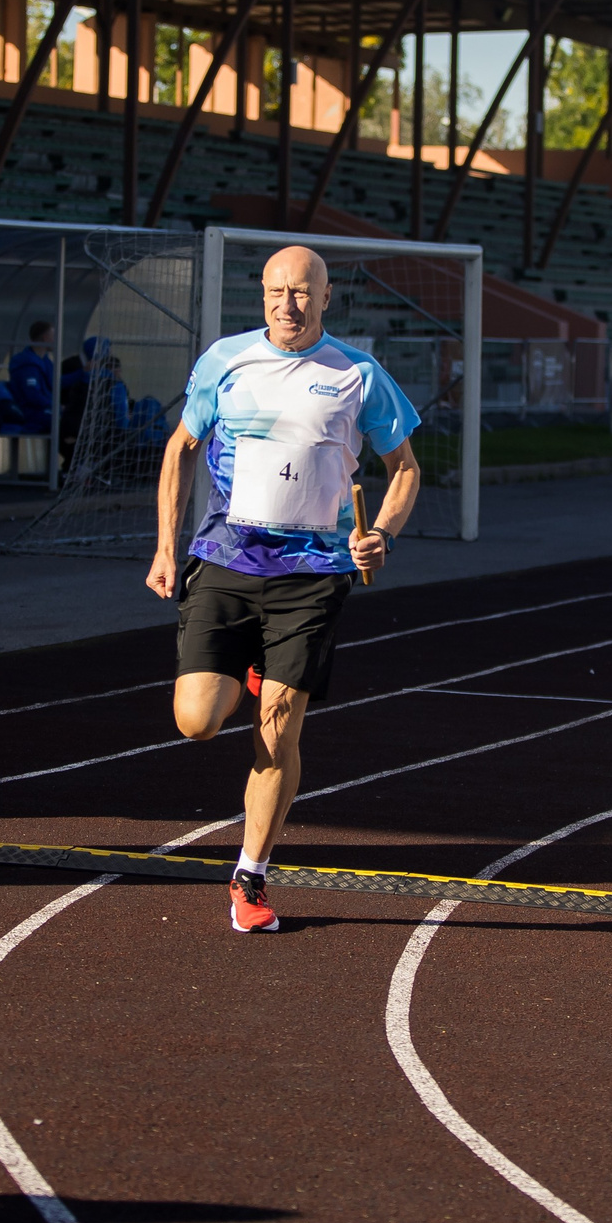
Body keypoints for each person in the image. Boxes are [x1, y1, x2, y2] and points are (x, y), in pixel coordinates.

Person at [146, 246, 421, 934]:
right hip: (226, 559)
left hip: (313, 574)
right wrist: (163, 545)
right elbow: (180, 447)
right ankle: (247, 663)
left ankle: (250, 872)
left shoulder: (359, 373)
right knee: (197, 719)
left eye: (302, 292)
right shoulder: (225, 361)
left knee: (279, 725)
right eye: (276, 291)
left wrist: (380, 532)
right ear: (261, 295)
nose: (287, 304)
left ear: (326, 298)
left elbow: (406, 466)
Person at [8, 320, 55, 421]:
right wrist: (55, 406)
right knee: (66, 422)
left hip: (44, 407)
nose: (56, 340)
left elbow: (57, 381)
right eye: (54, 337)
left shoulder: (45, 361)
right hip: (30, 411)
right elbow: (32, 396)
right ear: (45, 338)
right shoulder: (27, 364)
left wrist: (82, 373)